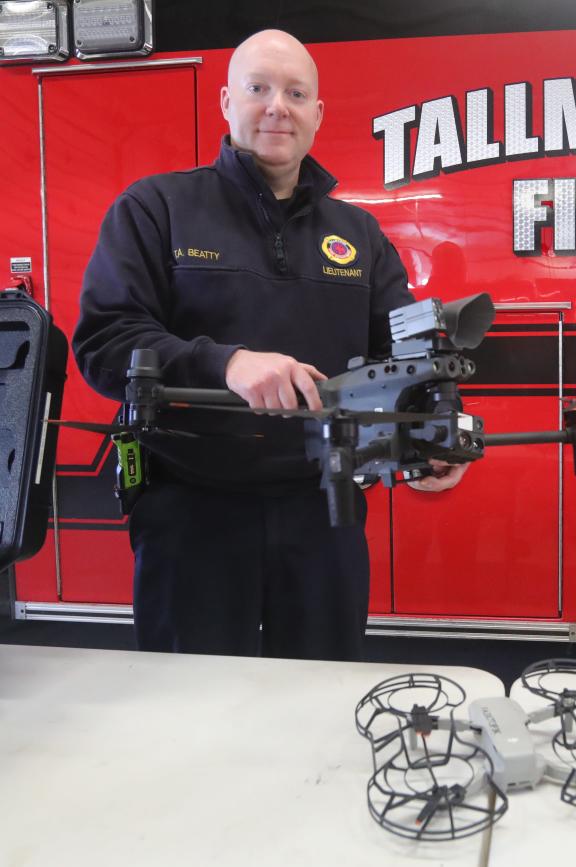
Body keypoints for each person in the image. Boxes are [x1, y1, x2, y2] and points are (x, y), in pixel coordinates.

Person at [72, 30, 466, 661]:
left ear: (317, 115)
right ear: (227, 101)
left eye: (295, 92)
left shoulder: (358, 233)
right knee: (191, 711)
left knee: (320, 704)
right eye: (258, 88)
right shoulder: (156, 209)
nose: (276, 105)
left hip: (324, 512)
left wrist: (438, 425)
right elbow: (105, 341)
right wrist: (224, 363)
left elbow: (405, 347)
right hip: (191, 512)